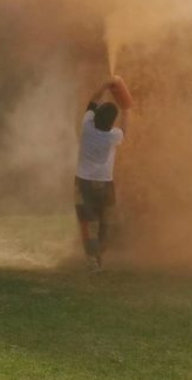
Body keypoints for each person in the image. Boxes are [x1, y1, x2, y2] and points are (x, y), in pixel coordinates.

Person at [75, 77, 129, 272]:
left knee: (87, 221)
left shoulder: (87, 126)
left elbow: (93, 100)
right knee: (105, 221)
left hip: (83, 183)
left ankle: (92, 259)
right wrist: (126, 109)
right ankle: (100, 254)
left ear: (96, 117)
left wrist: (104, 86)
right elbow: (125, 130)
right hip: (105, 185)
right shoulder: (112, 136)